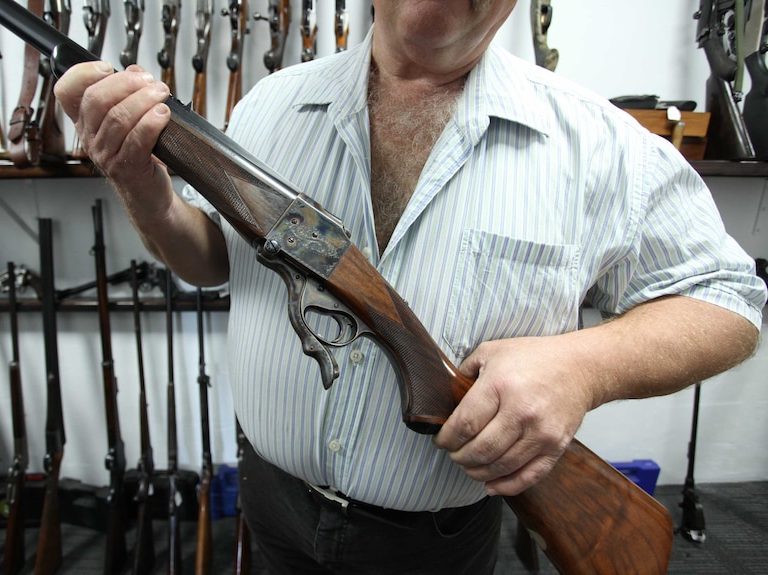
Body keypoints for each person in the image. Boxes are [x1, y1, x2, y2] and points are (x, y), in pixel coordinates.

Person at [55, 1, 767, 573]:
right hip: (272, 510)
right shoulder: (268, 105)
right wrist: (144, 188)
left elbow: (731, 299)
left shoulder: (601, 145)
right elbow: (212, 257)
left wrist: (582, 367)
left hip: (435, 544)